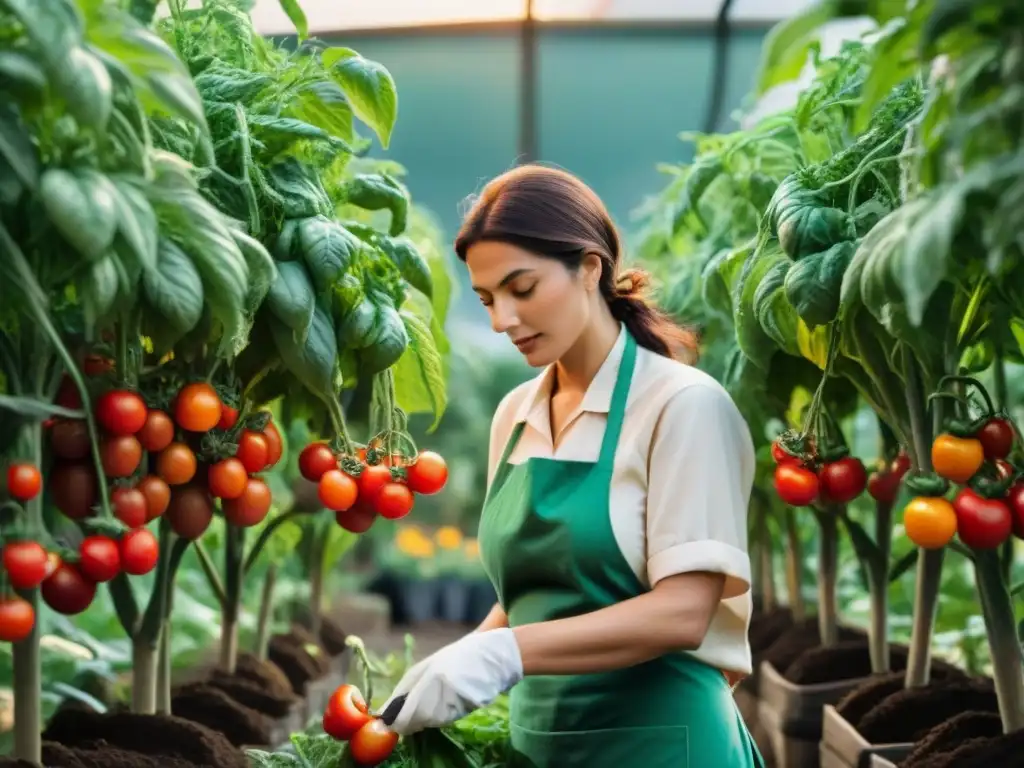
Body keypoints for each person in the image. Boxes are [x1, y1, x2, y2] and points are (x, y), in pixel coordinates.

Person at [380, 164, 763, 767]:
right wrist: (451, 666)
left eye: (522, 288)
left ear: (590, 268)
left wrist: (503, 655)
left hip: (663, 744)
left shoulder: (682, 406)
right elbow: (534, 595)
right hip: (543, 748)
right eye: (486, 299)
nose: (501, 320)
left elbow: (684, 612)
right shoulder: (515, 416)